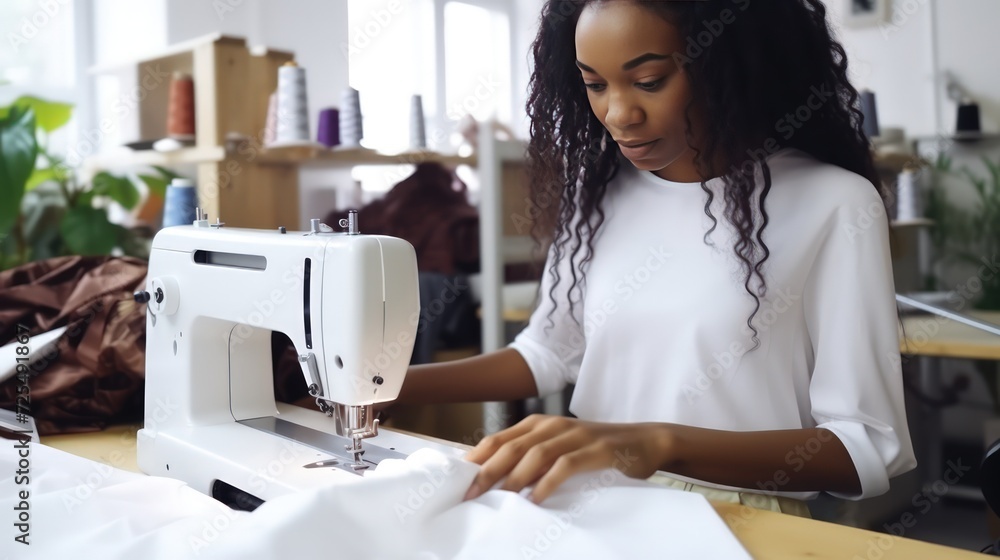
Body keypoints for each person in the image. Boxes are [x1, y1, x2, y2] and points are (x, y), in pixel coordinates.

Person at [391, 0, 916, 515]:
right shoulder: (598, 192)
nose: (619, 114)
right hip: (582, 504)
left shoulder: (835, 202)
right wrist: (377, 388)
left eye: (648, 81)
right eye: (594, 84)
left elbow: (865, 446)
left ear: (729, 65)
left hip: (734, 519)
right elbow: (548, 354)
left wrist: (659, 444)